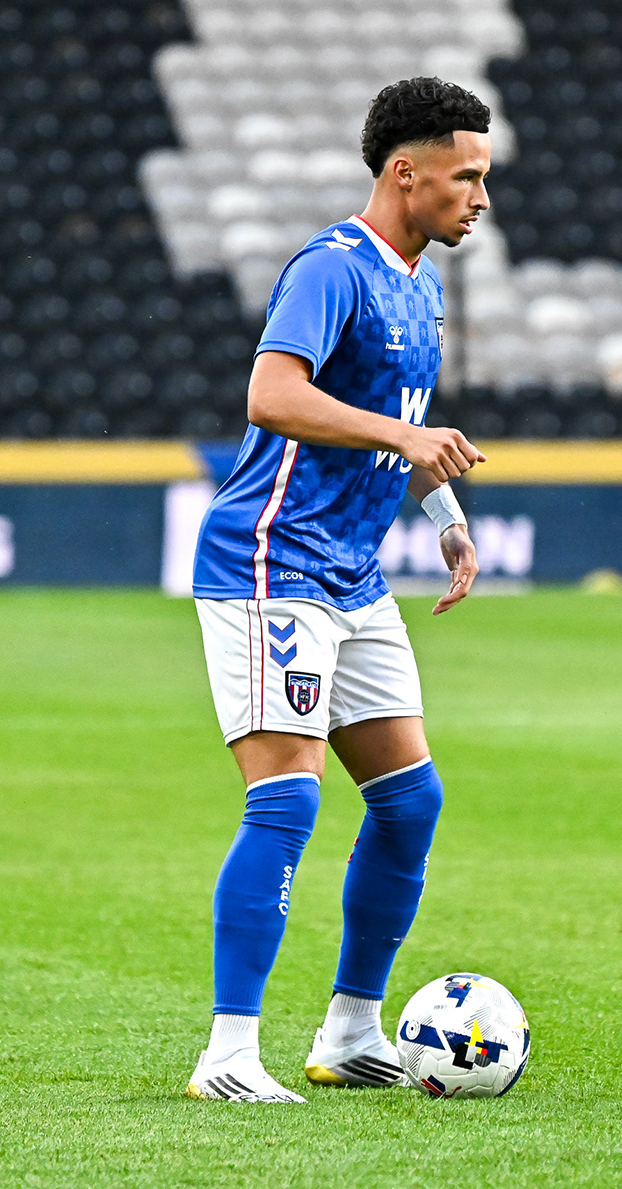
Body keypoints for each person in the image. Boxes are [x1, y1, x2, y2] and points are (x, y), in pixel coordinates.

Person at [183, 78, 492, 1103]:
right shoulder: (331, 268)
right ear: (405, 172)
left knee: (410, 799)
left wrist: (443, 516)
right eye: (466, 176)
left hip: (352, 572)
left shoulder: (420, 284)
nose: (481, 197)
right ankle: (229, 1053)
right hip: (272, 563)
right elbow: (271, 394)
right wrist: (407, 435)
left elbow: (403, 418)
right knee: (287, 797)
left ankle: (351, 1028)